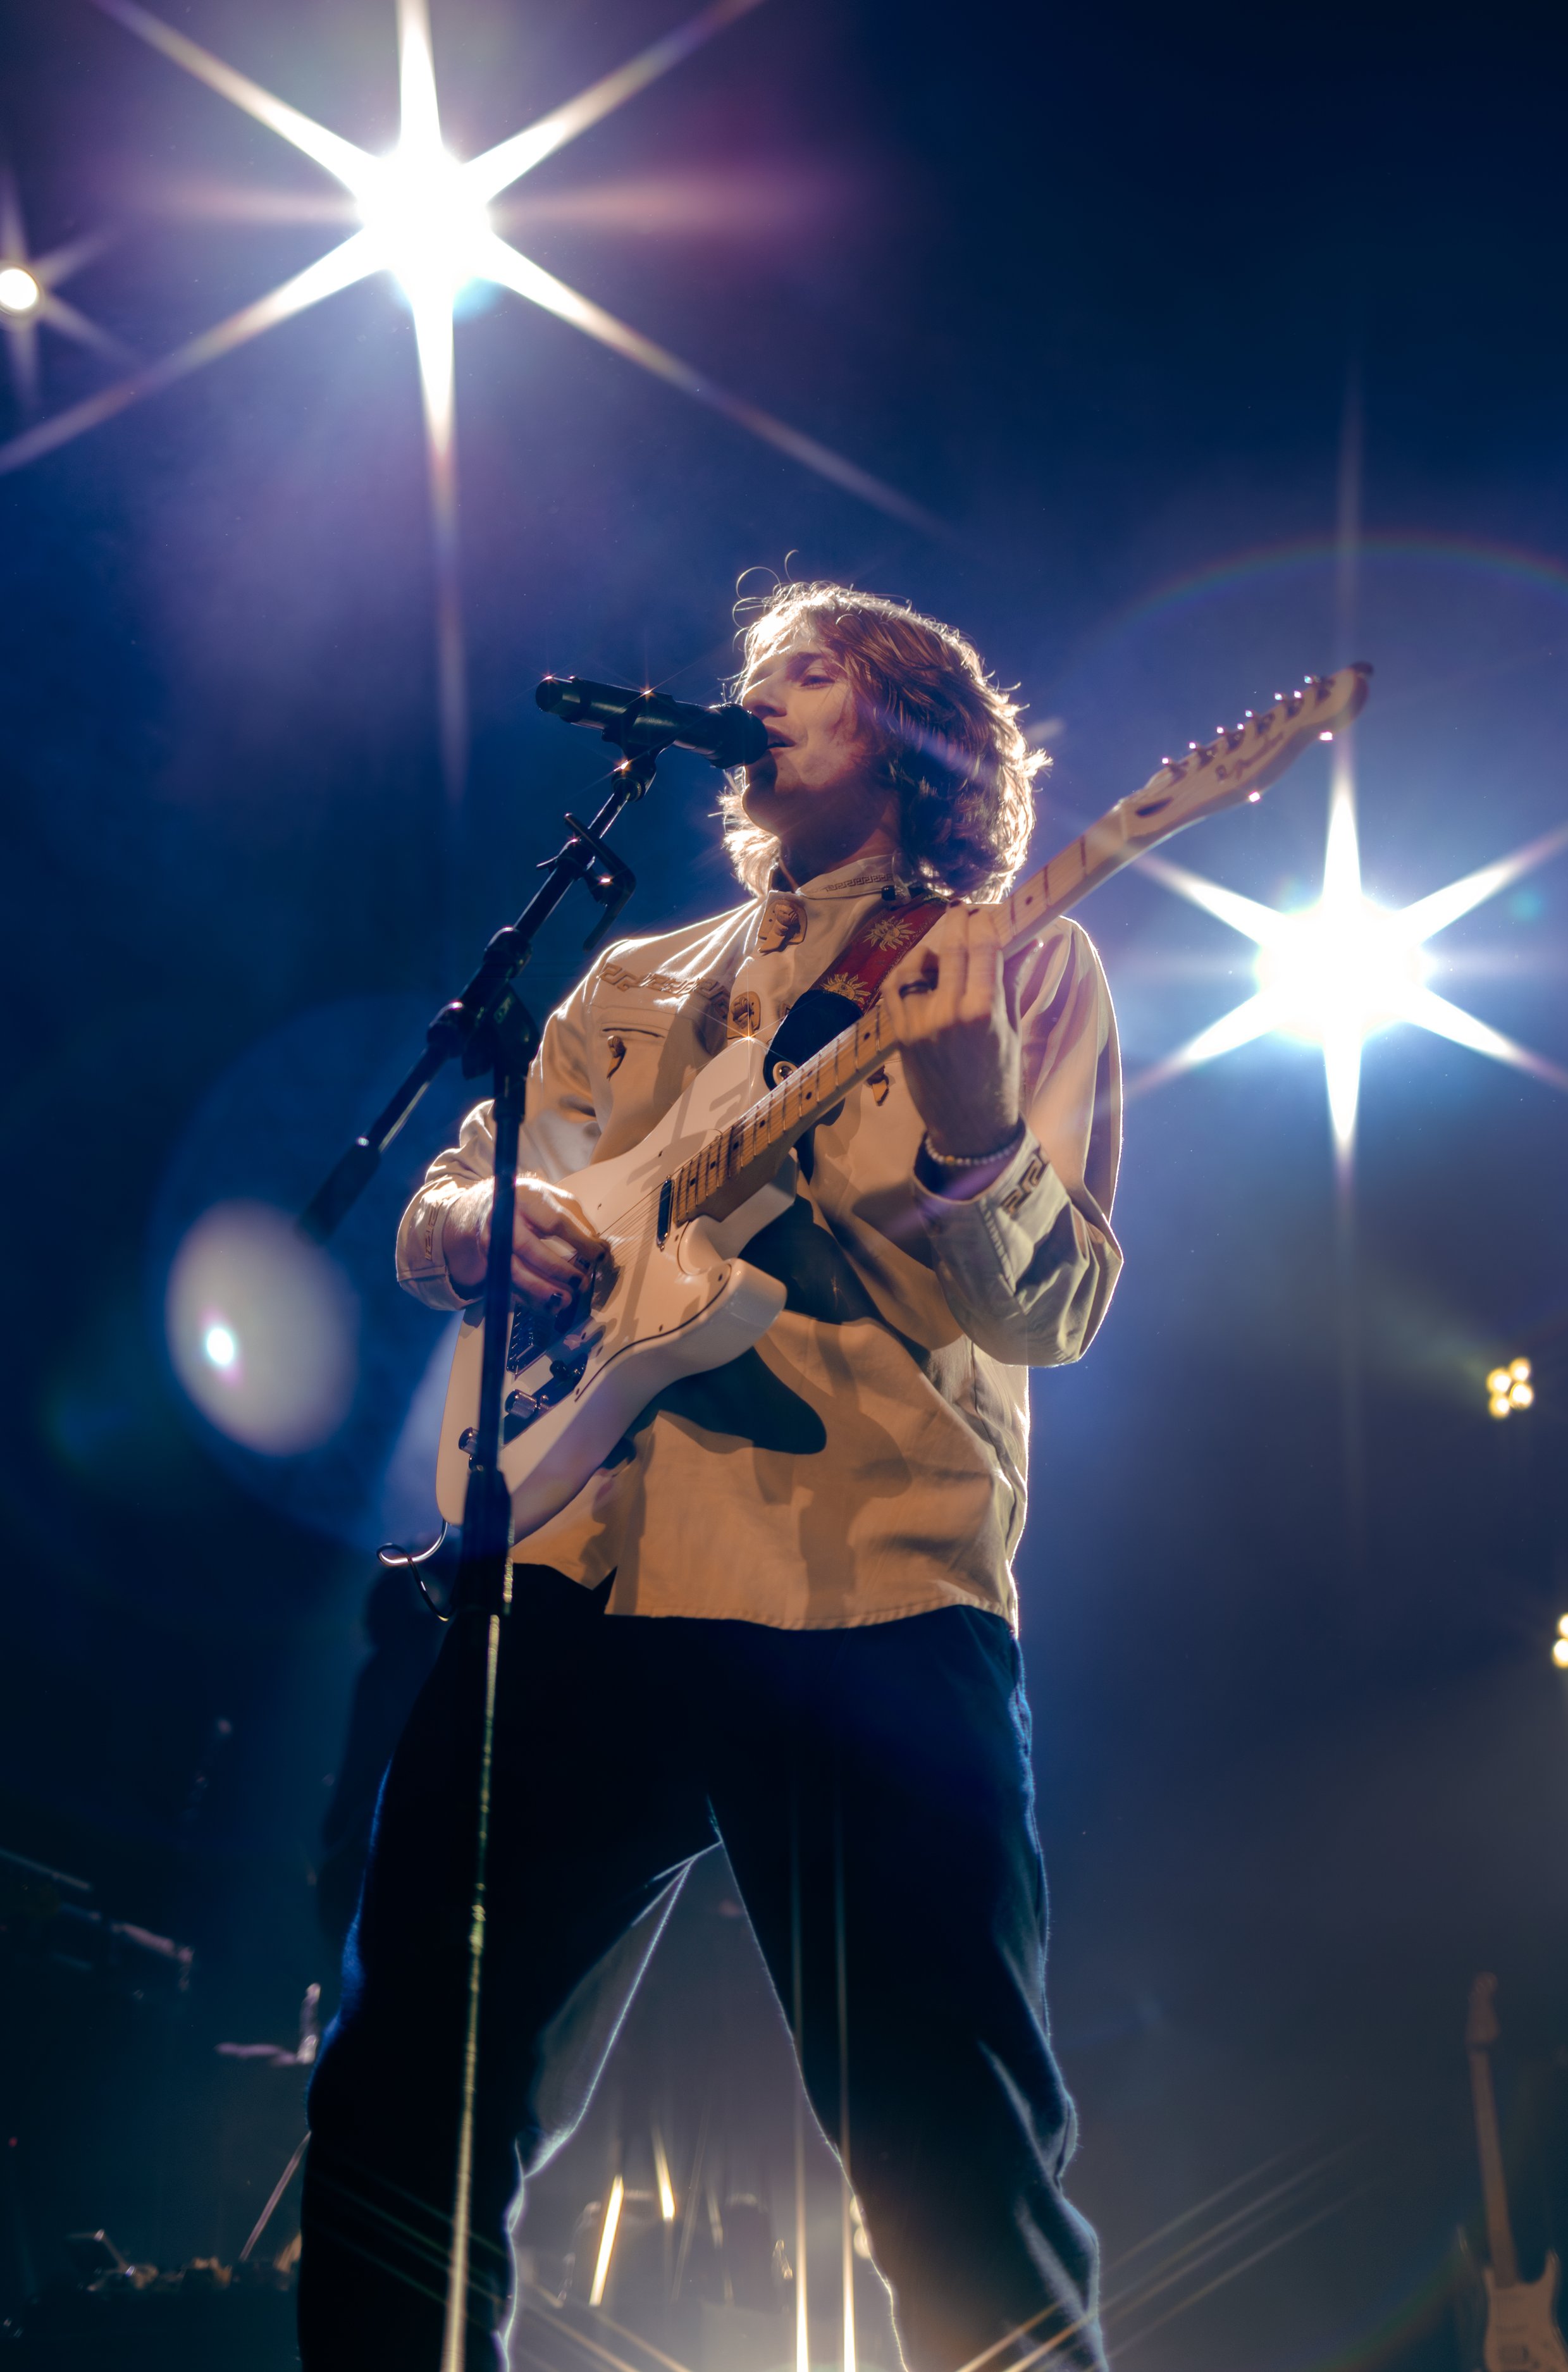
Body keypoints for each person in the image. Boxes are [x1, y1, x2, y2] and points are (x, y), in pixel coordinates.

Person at [298, 583, 1123, 2372]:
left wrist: (975, 1121)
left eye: (811, 672)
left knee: (950, 2154)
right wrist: (467, 1230)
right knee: (399, 2107)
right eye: (755, 677)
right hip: (573, 1570)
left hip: (861, 1589)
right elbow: (462, 1191)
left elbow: (1050, 1312)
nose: (762, 696)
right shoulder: (627, 979)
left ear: (915, 731)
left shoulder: (1016, 965)